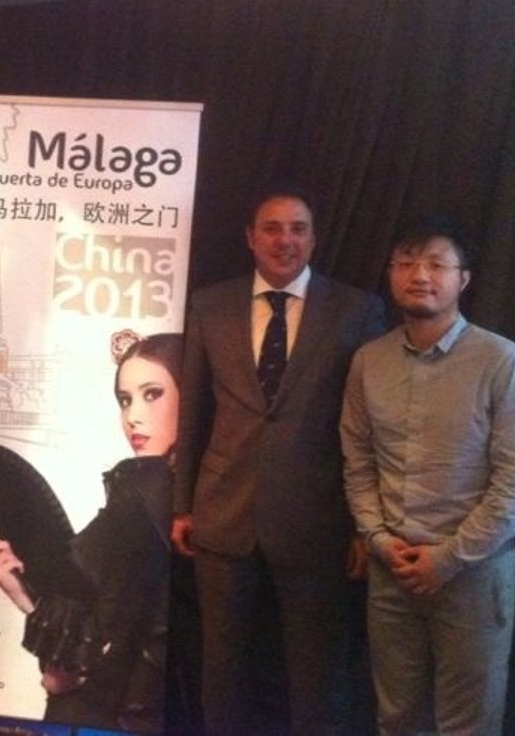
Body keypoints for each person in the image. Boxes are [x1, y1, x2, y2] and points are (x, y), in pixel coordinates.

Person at [172, 185, 387, 736]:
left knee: (318, 675)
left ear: (313, 239)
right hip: (223, 514)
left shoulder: (357, 311)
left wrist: (364, 526)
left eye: (297, 228)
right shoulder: (210, 305)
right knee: (222, 669)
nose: (284, 240)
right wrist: (182, 505)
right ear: (250, 237)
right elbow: (193, 413)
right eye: (271, 228)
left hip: (317, 521)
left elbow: (372, 427)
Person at [340, 215, 515, 736]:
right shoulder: (369, 361)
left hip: (474, 573)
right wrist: (377, 538)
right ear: (391, 273)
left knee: (467, 724)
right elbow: (358, 461)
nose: (419, 274)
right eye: (406, 262)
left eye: (436, 263)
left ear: (463, 279)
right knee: (396, 719)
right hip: (391, 568)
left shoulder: (505, 363)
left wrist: (448, 558)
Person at [0, 331, 183, 734]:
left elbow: (78, 611)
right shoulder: (206, 491)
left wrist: (22, 591)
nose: (133, 416)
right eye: (124, 400)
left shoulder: (139, 493)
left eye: (152, 394)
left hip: (107, 713)